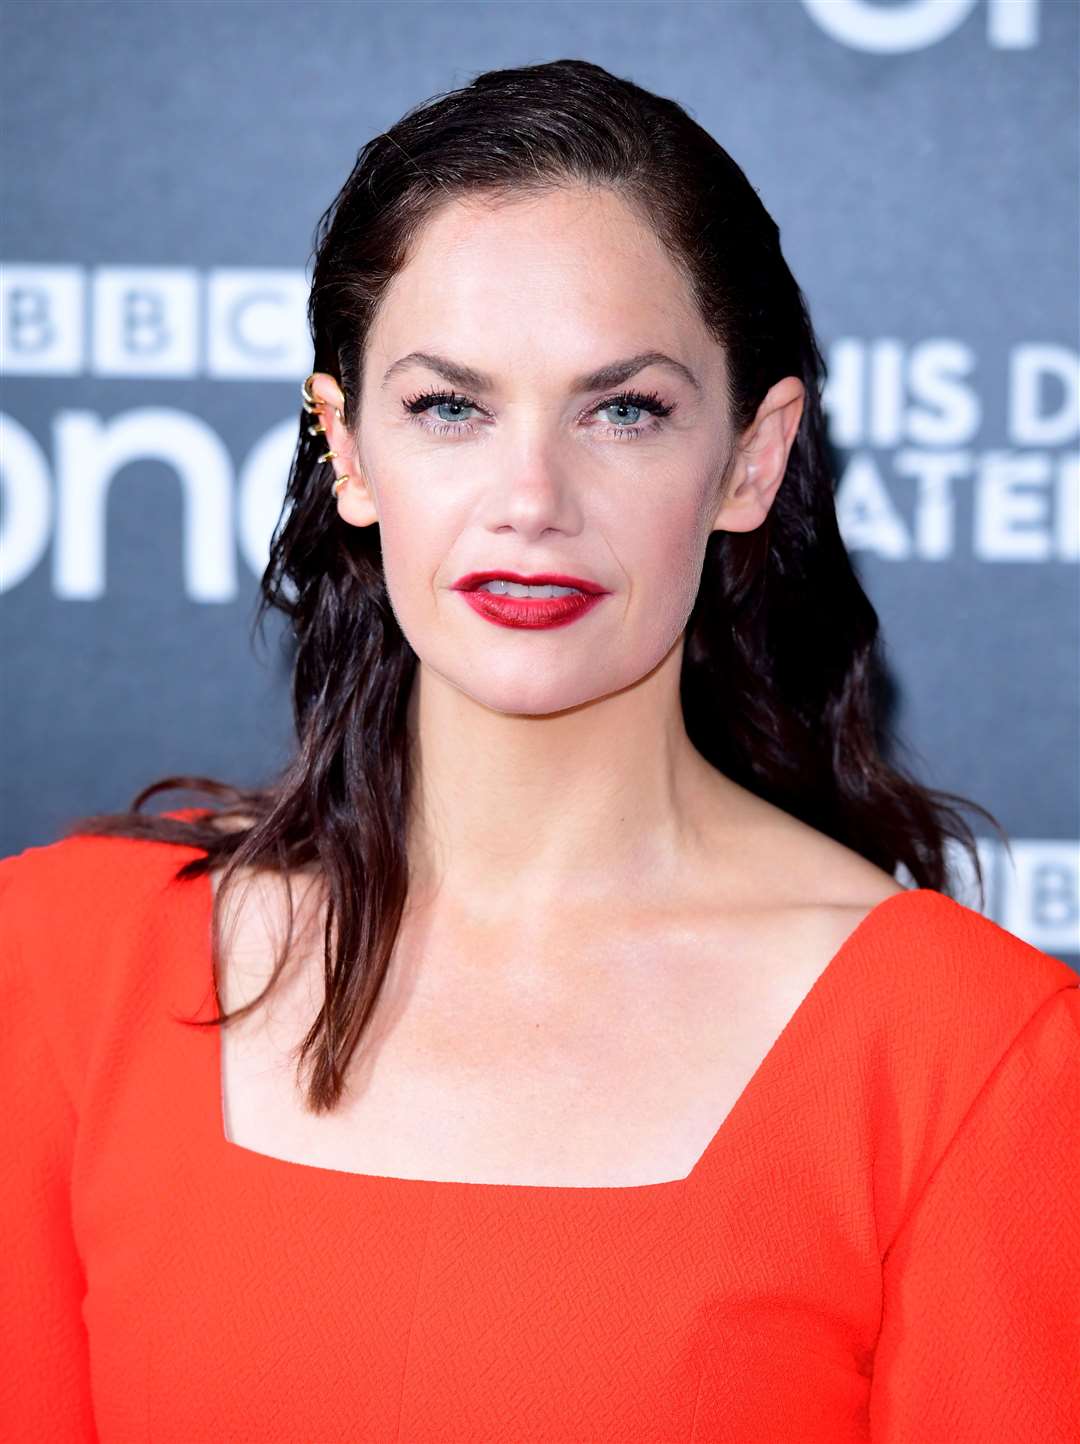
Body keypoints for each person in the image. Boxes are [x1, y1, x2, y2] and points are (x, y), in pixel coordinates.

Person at [2, 57, 1077, 1444]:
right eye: (451, 406)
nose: (531, 501)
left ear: (753, 458)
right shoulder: (55, 975)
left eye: (622, 410)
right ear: (348, 447)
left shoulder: (963, 1057)